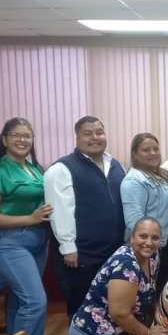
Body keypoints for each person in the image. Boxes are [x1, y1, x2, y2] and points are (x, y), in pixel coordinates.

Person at [0, 117, 52, 335]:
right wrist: (30, 219)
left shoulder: (33, 168)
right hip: (10, 242)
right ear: (4, 140)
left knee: (20, 302)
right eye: (16, 135)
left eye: (27, 136)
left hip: (39, 241)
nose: (23, 140)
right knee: (35, 302)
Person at [44, 116, 126, 318]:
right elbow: (60, 211)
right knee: (83, 311)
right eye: (87, 133)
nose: (95, 137)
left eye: (99, 132)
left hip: (113, 252)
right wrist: (68, 247)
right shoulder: (61, 169)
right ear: (77, 138)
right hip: (81, 255)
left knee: (111, 308)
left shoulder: (116, 165)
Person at [121, 133, 168, 291]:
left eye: (155, 149)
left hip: (162, 247)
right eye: (146, 150)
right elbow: (134, 222)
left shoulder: (157, 175)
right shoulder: (133, 181)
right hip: (146, 249)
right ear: (135, 154)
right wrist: (149, 247)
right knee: (146, 296)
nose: (153, 153)